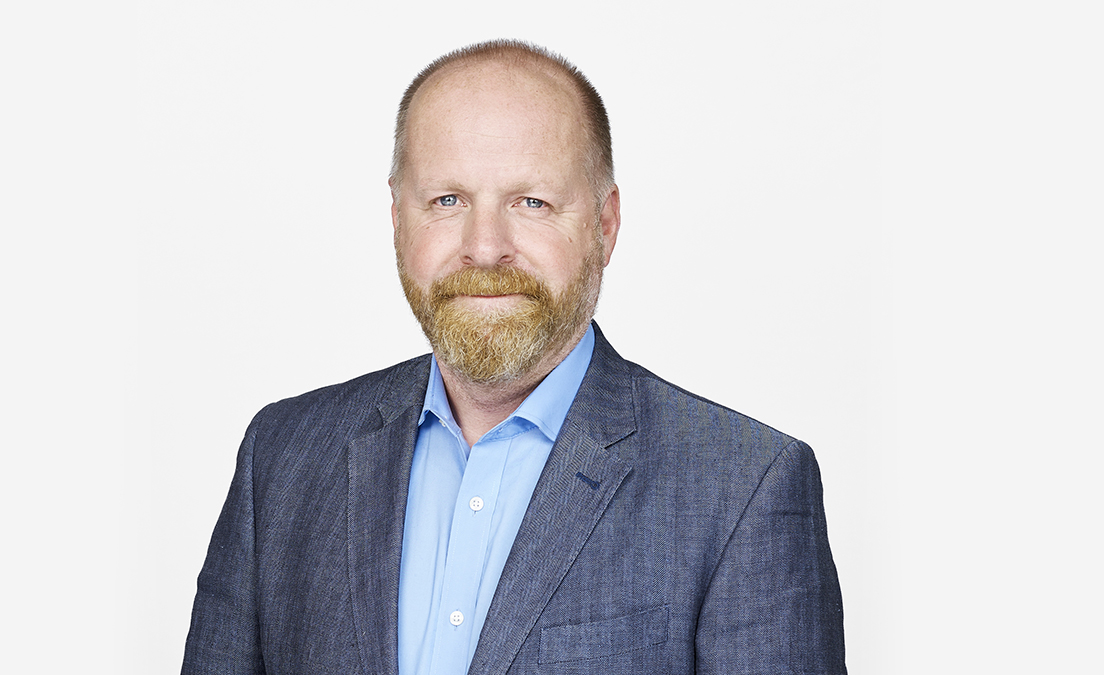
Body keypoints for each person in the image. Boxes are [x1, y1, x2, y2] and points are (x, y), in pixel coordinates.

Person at [181, 40, 845, 675]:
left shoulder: (743, 488)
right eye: (447, 200)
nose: (485, 246)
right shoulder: (283, 457)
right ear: (397, 218)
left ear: (605, 224)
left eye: (532, 202)